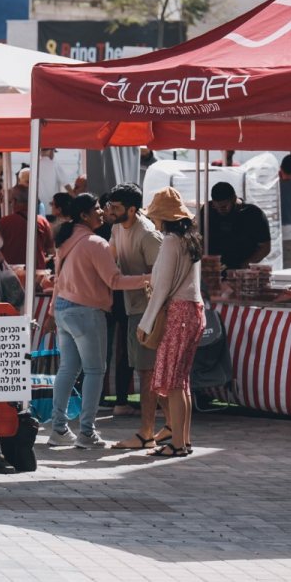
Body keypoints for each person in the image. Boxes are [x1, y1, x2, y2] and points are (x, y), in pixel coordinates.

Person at [48, 194, 149, 450]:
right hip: (86, 311)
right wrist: (149, 278)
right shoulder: (95, 243)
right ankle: (87, 432)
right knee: (94, 371)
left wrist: (52, 309)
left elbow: (58, 280)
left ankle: (58, 428)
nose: (102, 213)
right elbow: (114, 281)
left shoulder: (66, 239)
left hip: (64, 309)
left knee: (68, 369)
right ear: (84, 215)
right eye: (96, 209)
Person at [137, 187, 205, 459]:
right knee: (182, 382)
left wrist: (146, 322)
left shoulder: (170, 242)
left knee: (174, 384)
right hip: (194, 311)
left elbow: (162, 286)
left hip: (177, 313)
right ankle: (183, 440)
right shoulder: (190, 240)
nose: (154, 221)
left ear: (165, 217)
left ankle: (177, 443)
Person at [105, 183, 165, 448]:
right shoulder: (117, 228)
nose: (110, 211)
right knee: (145, 370)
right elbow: (110, 257)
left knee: (148, 373)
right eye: (110, 206)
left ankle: (149, 432)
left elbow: (161, 279)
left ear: (132, 209)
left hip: (148, 311)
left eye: (115, 208)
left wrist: (150, 316)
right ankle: (152, 430)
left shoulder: (149, 236)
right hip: (132, 309)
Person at [201, 182, 271, 270]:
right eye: (216, 207)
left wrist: (245, 265)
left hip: (241, 271)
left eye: (224, 207)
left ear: (234, 199)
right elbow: (199, 238)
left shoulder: (253, 214)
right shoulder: (208, 210)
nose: (219, 210)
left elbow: (265, 247)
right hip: (213, 270)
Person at [0, 184, 54, 268]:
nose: (10, 205)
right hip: (37, 272)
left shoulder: (3, 222)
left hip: (11, 272)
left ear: (15, 201)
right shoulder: (42, 221)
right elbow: (50, 250)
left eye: (10, 202)